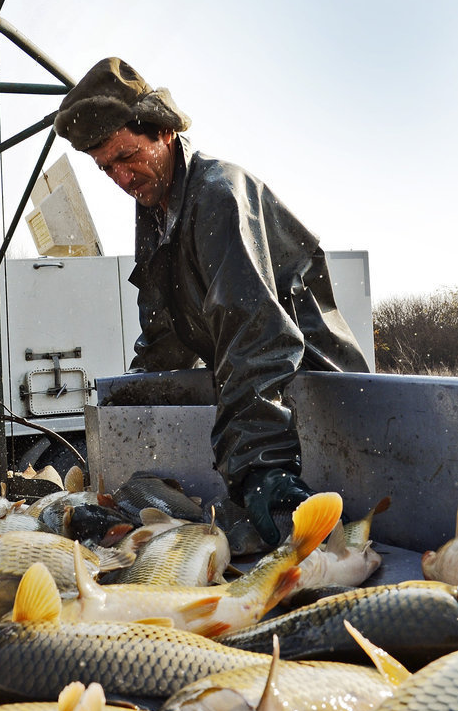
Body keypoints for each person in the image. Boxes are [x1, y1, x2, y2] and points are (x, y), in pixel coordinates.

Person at [54, 57, 368, 547]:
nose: (120, 176)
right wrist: (127, 410)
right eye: (105, 166)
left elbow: (257, 335)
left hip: (322, 413)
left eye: (126, 155)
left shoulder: (218, 194)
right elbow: (165, 338)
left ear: (163, 132)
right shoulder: (155, 213)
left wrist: (261, 461)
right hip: (274, 413)